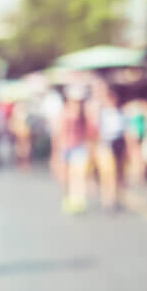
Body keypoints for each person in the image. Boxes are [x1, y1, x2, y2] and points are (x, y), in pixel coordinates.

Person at [59, 86, 90, 214]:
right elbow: (59, 131)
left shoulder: (84, 113)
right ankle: (70, 197)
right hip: (66, 147)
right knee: (68, 176)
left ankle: (78, 199)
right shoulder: (64, 112)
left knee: (79, 174)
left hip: (79, 147)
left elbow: (88, 131)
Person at [95, 88, 126, 210]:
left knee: (115, 173)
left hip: (117, 145)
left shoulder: (120, 113)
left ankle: (113, 198)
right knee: (106, 173)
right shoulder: (100, 113)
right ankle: (106, 198)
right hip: (105, 146)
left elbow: (126, 131)